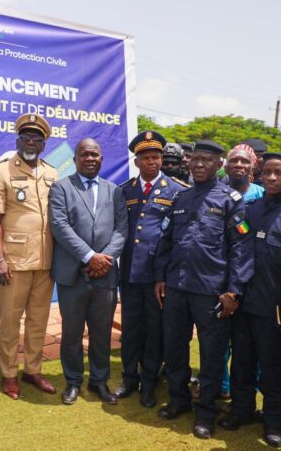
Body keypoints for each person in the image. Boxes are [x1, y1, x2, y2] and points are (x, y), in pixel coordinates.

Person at [154, 140, 254, 439]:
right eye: (194, 159)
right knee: (174, 346)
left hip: (211, 291)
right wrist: (160, 277)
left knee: (211, 355)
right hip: (176, 287)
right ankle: (178, 400)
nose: (198, 164)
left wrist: (234, 290)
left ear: (218, 164)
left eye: (206, 160)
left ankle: (206, 412)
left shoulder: (230, 199)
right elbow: (166, 241)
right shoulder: (181, 197)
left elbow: (241, 247)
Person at [220, 153, 281, 448]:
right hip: (244, 302)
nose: (272, 178)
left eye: (279, 173)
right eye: (267, 172)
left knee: (274, 368)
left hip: (275, 307)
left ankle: (274, 421)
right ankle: (242, 410)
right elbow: (238, 250)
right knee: (242, 362)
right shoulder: (250, 210)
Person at [49, 138, 128, 405]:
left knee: (101, 331)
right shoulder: (61, 187)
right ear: (75, 159)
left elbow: (121, 229)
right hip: (72, 274)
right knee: (72, 332)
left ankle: (99, 381)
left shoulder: (114, 191)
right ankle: (73, 381)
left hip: (106, 274)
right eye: (84, 155)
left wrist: (105, 259)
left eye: (95, 155)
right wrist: (89, 256)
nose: (90, 159)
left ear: (101, 159)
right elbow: (60, 226)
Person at [0, 113, 58, 399]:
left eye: (36, 139)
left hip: (46, 260)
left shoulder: (52, 173)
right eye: (26, 137)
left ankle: (33, 370)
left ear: (43, 144)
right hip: (13, 261)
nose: (30, 142)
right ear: (17, 141)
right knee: (10, 321)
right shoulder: (1, 171)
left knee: (38, 320)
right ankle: (8, 374)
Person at [116, 131, 187, 408]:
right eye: (146, 158)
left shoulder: (177, 190)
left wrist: (163, 274)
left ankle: (149, 382)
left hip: (159, 277)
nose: (152, 162)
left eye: (156, 157)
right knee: (131, 328)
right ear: (137, 161)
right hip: (131, 273)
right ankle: (128, 378)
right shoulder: (125, 190)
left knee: (154, 331)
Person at [219, 143, 265, 400]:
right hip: (220, 275)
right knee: (220, 336)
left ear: (253, 166)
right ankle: (223, 387)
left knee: (249, 340)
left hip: (254, 276)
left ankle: (249, 390)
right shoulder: (216, 192)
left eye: (245, 161)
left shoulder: (263, 195)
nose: (239, 165)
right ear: (225, 165)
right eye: (234, 161)